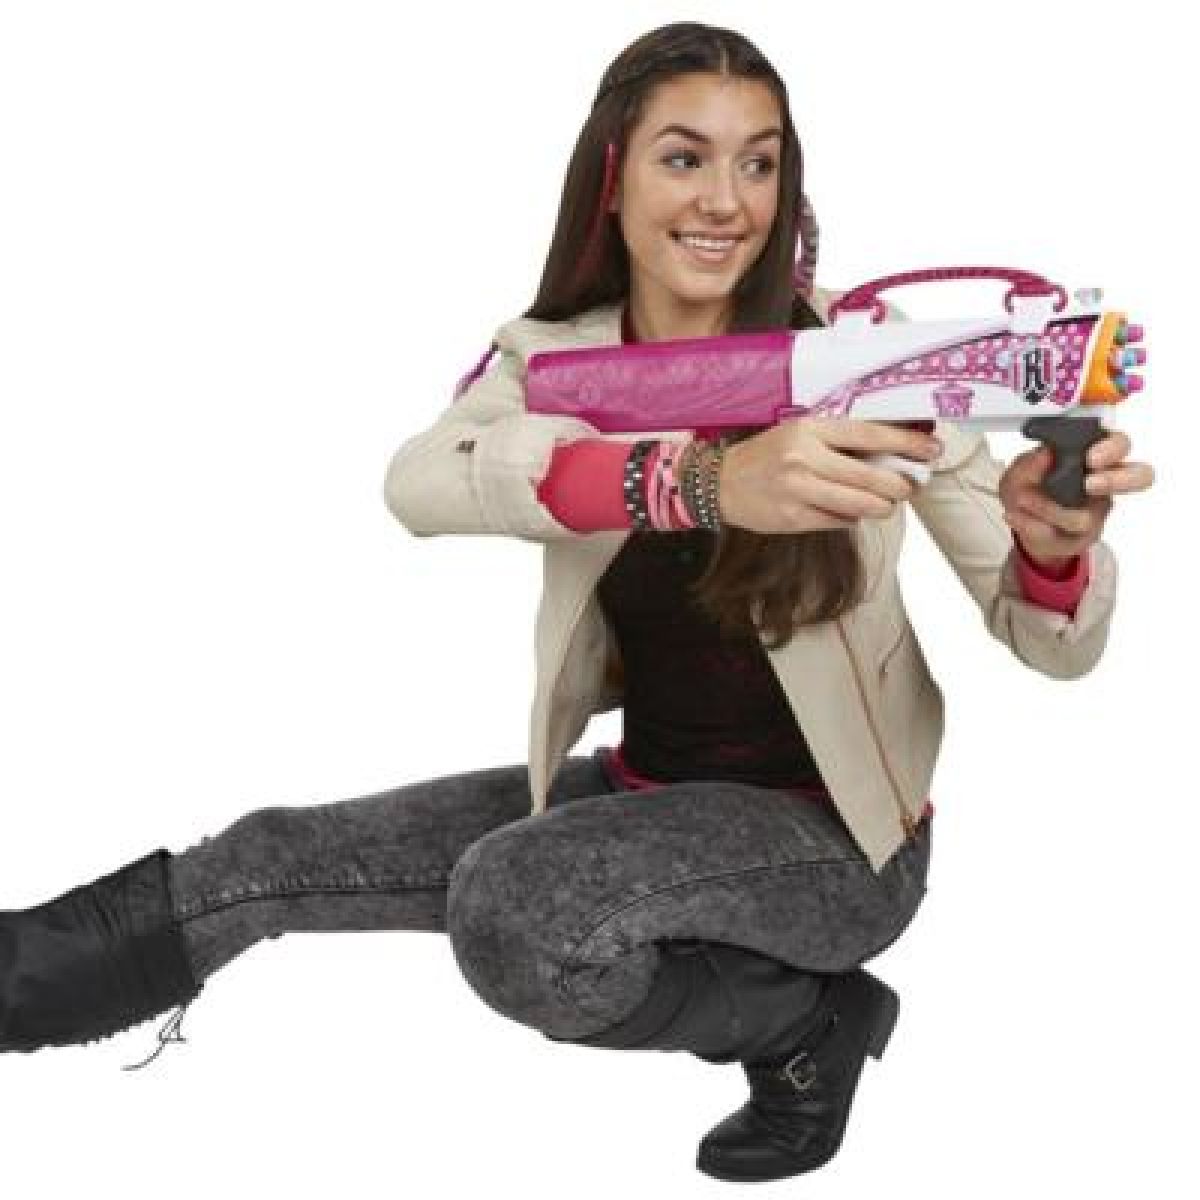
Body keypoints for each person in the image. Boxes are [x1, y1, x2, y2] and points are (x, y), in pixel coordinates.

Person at [0, 20, 1153, 1185]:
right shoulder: (551, 359)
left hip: (838, 848)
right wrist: (702, 480)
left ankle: (808, 1025)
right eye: (685, 157)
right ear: (613, 175)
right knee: (267, 857)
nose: (725, 201)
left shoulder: (876, 356)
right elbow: (420, 482)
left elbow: (1049, 643)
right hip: (639, 793)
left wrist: (1053, 549)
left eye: (758, 163)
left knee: (515, 905)